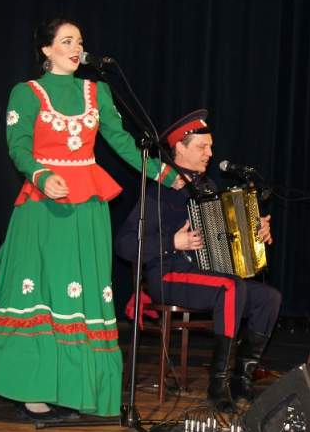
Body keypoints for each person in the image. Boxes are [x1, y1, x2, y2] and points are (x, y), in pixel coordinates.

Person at [0, 18, 182, 420]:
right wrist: (41, 175)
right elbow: (18, 146)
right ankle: (31, 386)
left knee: (82, 293)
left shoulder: (97, 91)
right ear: (46, 49)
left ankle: (80, 387)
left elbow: (123, 143)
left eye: (80, 42)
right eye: (67, 41)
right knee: (40, 293)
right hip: (44, 205)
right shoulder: (27, 93)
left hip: (87, 207)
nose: (76, 48)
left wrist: (165, 173)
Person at [115, 110, 281, 413]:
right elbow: (125, 244)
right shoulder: (159, 189)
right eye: (202, 147)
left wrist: (257, 234)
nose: (210, 153)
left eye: (210, 146)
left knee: (269, 297)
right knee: (231, 289)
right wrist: (171, 243)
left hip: (207, 277)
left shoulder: (209, 188)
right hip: (168, 275)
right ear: (179, 147)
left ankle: (240, 380)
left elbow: (229, 240)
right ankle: (217, 386)